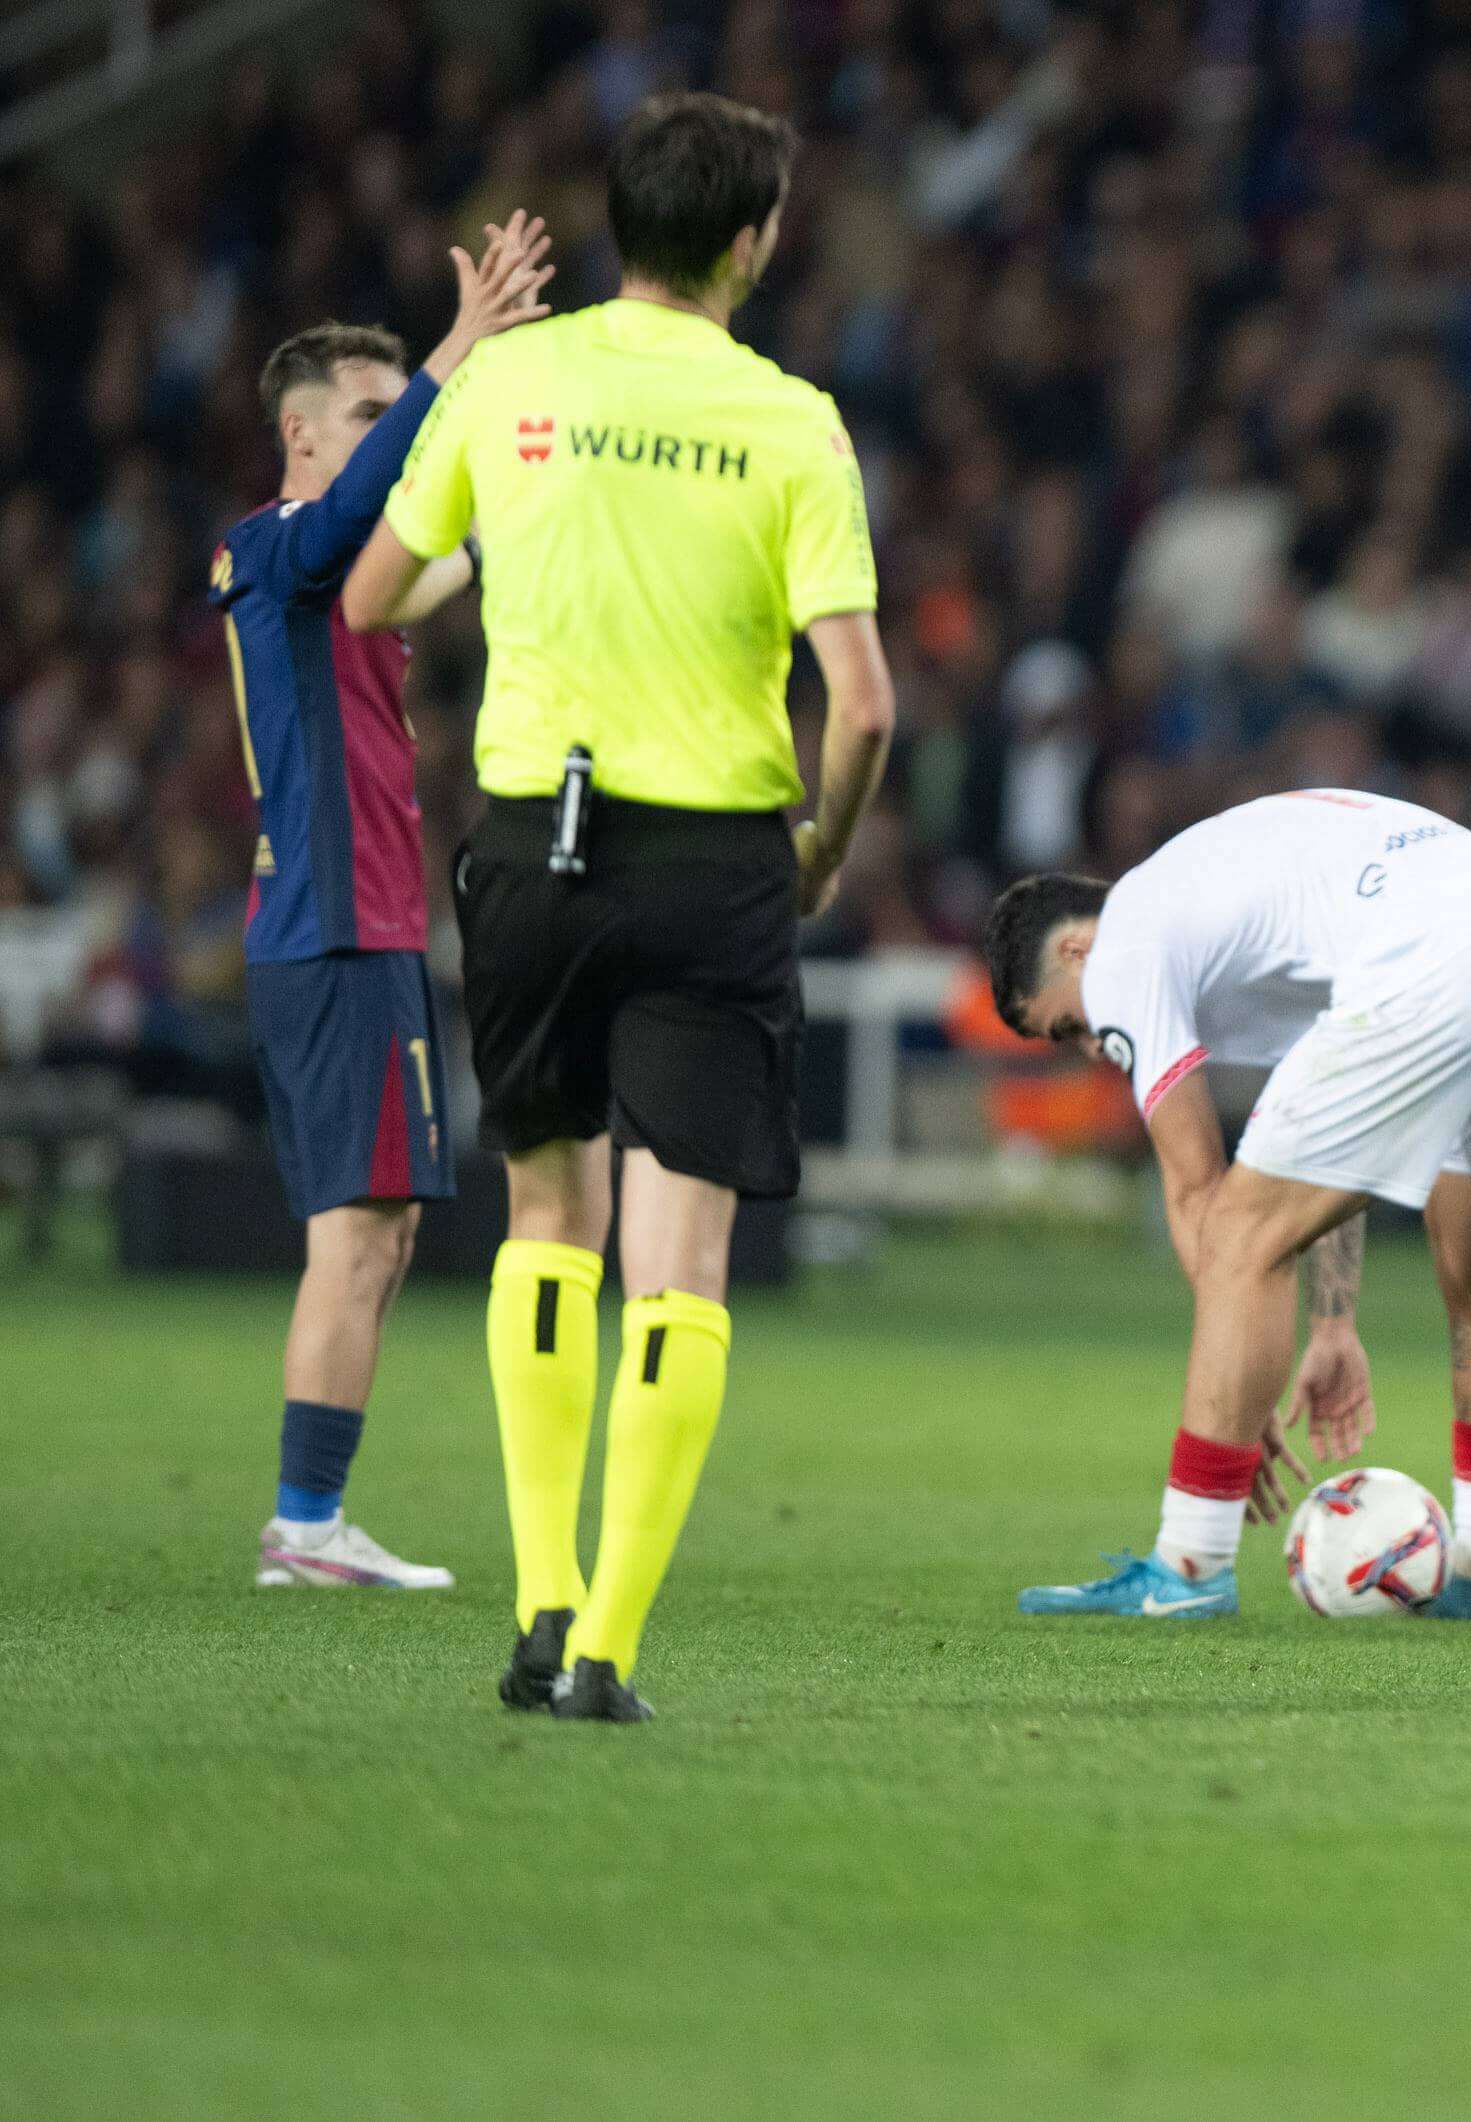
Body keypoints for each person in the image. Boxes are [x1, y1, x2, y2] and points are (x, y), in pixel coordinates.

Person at [344, 94, 893, 1724]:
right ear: (753, 241)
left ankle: (536, 1600)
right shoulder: (791, 420)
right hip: (714, 861)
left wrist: (511, 551)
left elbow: (373, 597)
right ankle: (609, 1653)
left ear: (616, 224)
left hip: (533, 848)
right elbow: (860, 702)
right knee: (681, 1261)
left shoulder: (513, 382)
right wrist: (824, 852)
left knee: (544, 1223)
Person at [988, 790, 1471, 1624]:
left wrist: (1235, 1404)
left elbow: (1198, 1192)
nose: (1091, 1048)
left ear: (1074, 948)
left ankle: (1190, 1561)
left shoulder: (1126, 937)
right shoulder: (1226, 898)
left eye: (1065, 1026)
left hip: (1447, 958)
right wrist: (1329, 1324)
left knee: (1241, 1234)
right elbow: (1333, 1147)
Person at [216, 214, 556, 1591]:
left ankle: (313, 1517)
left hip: (361, 930)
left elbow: (461, 546)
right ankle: (304, 1525)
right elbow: (372, 524)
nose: (389, 429)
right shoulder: (273, 543)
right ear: (302, 436)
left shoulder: (340, 579)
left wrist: (515, 403)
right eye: (367, 410)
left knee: (379, 1230)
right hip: (334, 927)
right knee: (360, 1234)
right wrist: (460, 352)